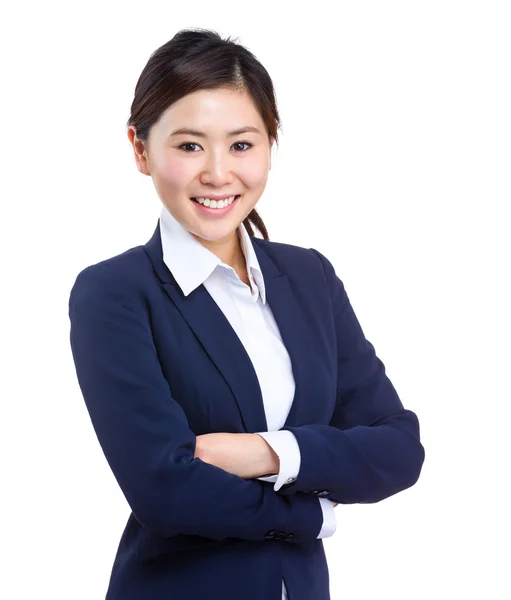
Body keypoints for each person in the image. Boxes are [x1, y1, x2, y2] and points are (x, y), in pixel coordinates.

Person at [68, 27, 425, 600]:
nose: (217, 173)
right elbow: (164, 489)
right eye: (189, 146)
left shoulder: (310, 277)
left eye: (241, 144)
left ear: (269, 145)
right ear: (140, 149)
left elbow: (398, 449)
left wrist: (265, 452)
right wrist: (312, 512)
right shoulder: (113, 293)